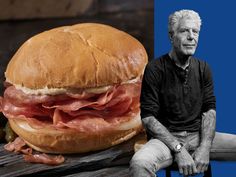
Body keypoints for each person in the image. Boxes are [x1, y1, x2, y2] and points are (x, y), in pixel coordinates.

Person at [129, 9, 236, 177]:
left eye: (195, 31)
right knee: (139, 164)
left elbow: (209, 110)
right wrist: (178, 149)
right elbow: (148, 118)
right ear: (172, 36)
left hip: (198, 136)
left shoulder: (204, 68)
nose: (191, 36)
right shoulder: (155, 68)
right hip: (164, 141)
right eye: (184, 30)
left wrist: (205, 147)